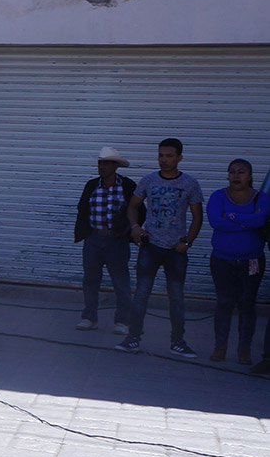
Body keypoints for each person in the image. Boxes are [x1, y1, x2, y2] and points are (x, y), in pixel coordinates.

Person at [117, 138, 204, 357]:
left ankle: (178, 341)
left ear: (179, 158)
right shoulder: (148, 181)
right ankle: (133, 338)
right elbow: (133, 206)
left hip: (175, 250)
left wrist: (187, 242)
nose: (164, 160)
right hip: (151, 247)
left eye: (169, 156)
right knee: (141, 294)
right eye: (161, 155)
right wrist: (135, 227)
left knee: (176, 296)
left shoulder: (190, 184)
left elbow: (197, 217)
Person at [206, 159, 268, 364]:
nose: (236, 176)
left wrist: (231, 215)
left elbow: (260, 221)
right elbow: (216, 222)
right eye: (232, 172)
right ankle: (219, 348)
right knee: (224, 303)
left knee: (247, 305)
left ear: (250, 176)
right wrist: (246, 221)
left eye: (241, 172)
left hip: (252, 262)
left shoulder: (261, 198)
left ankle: (244, 351)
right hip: (222, 261)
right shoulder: (218, 196)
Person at [74, 146, 137, 333]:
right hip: (93, 238)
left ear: (116, 166)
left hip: (116, 240)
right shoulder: (92, 185)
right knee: (90, 280)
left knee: (121, 281)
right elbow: (82, 209)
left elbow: (137, 211)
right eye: (100, 163)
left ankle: (123, 321)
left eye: (106, 163)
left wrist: (125, 232)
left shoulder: (127, 186)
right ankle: (89, 318)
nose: (102, 167)